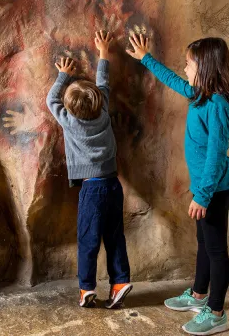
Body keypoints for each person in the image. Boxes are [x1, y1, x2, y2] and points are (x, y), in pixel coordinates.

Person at [127, 33, 229, 335]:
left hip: (215, 188)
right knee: (204, 243)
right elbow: (174, 81)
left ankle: (217, 313)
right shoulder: (198, 94)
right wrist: (145, 58)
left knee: (216, 250)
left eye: (189, 64)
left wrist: (202, 196)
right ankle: (199, 295)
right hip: (207, 186)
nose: (185, 69)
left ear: (205, 68)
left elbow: (216, 156)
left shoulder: (217, 106)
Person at [46, 31, 132, 309]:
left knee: (88, 240)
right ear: (98, 99)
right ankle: (120, 282)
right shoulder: (104, 109)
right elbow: (103, 81)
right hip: (113, 185)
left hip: (92, 189)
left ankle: (87, 288)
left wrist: (63, 75)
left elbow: (51, 101)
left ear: (69, 110)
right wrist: (103, 50)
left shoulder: (69, 121)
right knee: (115, 236)